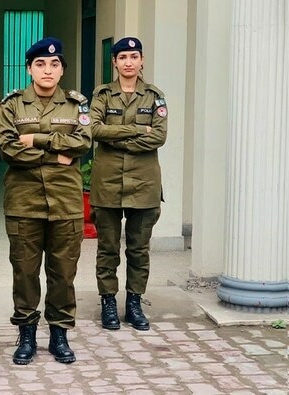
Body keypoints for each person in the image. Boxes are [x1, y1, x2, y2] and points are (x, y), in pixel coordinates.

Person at [0, 37, 91, 365]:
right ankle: (26, 334)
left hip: (65, 203)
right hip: (24, 203)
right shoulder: (11, 105)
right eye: (40, 64)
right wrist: (57, 154)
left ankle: (60, 334)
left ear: (62, 70)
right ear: (29, 69)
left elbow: (84, 142)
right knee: (24, 272)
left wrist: (36, 139)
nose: (47, 70)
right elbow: (7, 148)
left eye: (54, 64)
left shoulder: (77, 105)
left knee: (63, 273)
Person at [89, 37, 168, 332]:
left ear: (142, 60)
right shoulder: (102, 94)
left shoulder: (154, 96)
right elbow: (95, 129)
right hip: (107, 182)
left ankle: (134, 302)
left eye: (134, 56)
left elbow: (159, 136)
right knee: (107, 248)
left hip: (144, 183)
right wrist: (137, 130)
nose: (129, 62)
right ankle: (108, 302)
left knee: (138, 249)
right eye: (123, 57)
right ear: (115, 62)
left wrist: (116, 137)